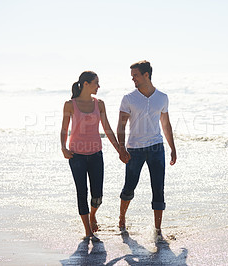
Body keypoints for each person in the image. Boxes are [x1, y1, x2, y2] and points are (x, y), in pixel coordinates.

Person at [60, 71, 124, 242]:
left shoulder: (99, 104)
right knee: (82, 193)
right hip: (76, 156)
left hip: (96, 155)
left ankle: (92, 215)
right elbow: (64, 129)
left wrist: (119, 149)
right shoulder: (70, 104)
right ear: (86, 84)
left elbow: (108, 129)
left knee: (97, 196)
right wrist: (63, 148)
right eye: (96, 82)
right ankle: (88, 231)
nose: (99, 86)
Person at [117, 60, 177, 239]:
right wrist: (121, 148)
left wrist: (173, 148)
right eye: (132, 75)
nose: (132, 79)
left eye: (135, 75)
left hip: (156, 147)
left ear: (146, 75)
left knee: (158, 188)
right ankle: (122, 218)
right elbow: (121, 125)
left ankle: (158, 230)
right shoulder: (129, 98)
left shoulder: (162, 97)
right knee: (129, 187)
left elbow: (165, 124)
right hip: (134, 149)